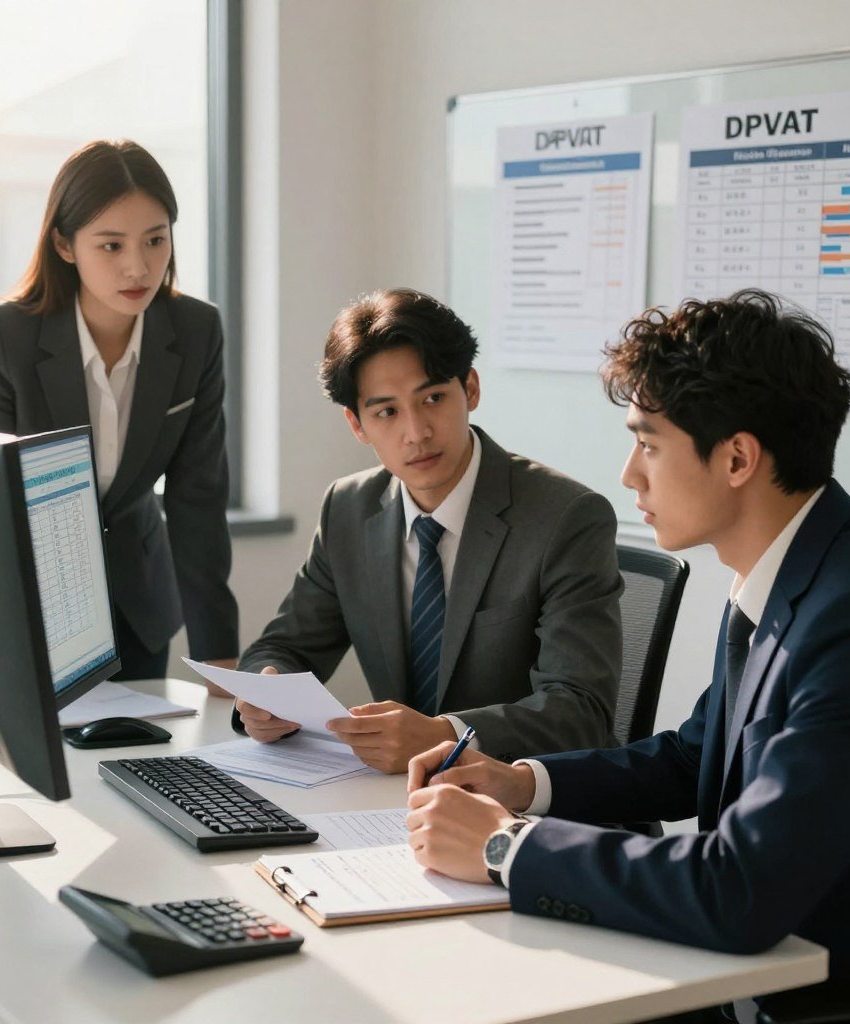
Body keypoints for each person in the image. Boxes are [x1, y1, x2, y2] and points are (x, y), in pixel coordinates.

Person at [406, 289, 850, 1006]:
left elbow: (740, 887)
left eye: (649, 443)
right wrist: (522, 782)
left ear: (737, 459)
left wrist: (506, 847)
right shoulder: (793, 574)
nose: (630, 474)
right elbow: (695, 756)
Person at [234, 287, 623, 773]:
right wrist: (267, 693)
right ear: (357, 425)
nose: (416, 432)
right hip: (397, 802)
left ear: (471, 389)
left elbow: (580, 709)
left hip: (534, 806)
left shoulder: (566, 517)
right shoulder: (348, 509)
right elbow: (282, 647)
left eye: (433, 398)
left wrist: (446, 736)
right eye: (387, 412)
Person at [0, 140, 238, 680]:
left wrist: (218, 655)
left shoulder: (196, 331)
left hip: (138, 607)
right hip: (28, 608)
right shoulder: (5, 337)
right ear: (65, 244)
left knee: (144, 762)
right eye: (111, 246)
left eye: (156, 240)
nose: (139, 267)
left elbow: (198, 497)